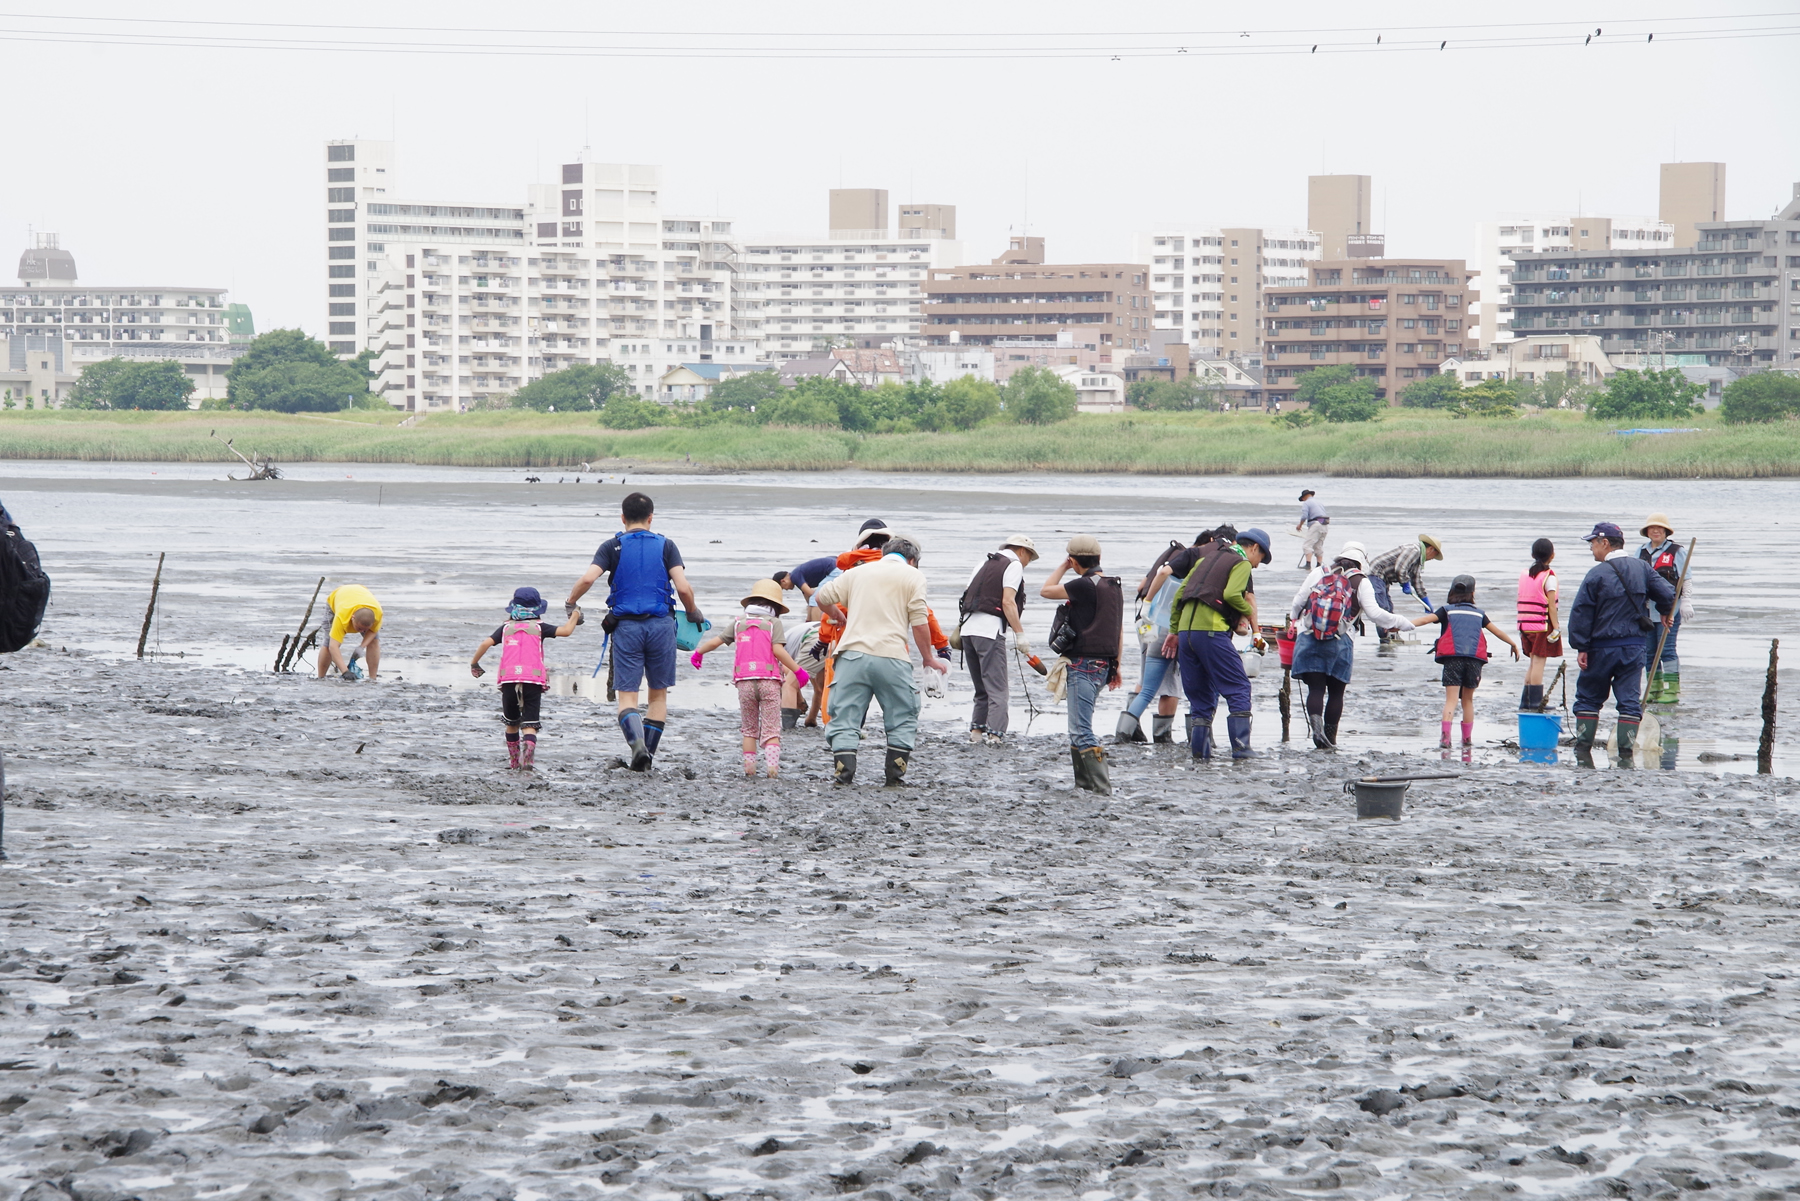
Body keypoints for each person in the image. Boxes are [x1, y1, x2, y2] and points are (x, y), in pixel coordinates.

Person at [564, 491, 704, 772]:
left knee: (628, 696)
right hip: (662, 625)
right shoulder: (667, 546)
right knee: (658, 696)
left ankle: (637, 746)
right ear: (651, 518)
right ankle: (646, 755)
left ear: (623, 518)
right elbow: (684, 588)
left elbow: (589, 578)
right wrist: (692, 611)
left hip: (626, 627)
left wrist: (570, 603)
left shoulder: (611, 546)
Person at [813, 533, 948, 786]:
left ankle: (844, 774)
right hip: (892, 657)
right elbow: (919, 622)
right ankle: (894, 777)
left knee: (845, 716)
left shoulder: (857, 572)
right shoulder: (913, 576)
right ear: (912, 560)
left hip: (852, 656)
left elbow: (821, 597)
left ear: (885, 554)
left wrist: (838, 616)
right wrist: (929, 658)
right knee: (902, 714)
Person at [1286, 541, 1416, 750]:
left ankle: (1317, 731)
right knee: (1336, 693)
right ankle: (1330, 740)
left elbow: (1298, 601)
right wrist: (1401, 622)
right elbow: (1375, 614)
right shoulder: (1361, 581)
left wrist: (1294, 620)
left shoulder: (1319, 572)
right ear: (1361, 561)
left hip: (1310, 636)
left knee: (1316, 688)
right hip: (1340, 641)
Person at [1566, 521, 1676, 767]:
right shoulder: (1643, 568)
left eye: (1593, 543)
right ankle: (1626, 756)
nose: (1591, 549)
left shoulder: (1596, 574)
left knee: (1589, 697)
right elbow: (1669, 593)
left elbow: (1581, 613)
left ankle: (1583, 752)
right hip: (1633, 646)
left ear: (1605, 543)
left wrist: (1580, 646)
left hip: (1600, 648)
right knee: (1629, 699)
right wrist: (1666, 611)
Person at [1167, 528, 1272, 760]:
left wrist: (1175, 631)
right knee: (1239, 687)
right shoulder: (1241, 563)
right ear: (1254, 548)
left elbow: (1179, 596)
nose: (1256, 565)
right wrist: (1248, 614)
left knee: (1200, 696)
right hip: (1212, 632)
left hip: (1186, 634)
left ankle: (1200, 753)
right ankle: (1241, 748)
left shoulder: (1205, 559)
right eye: (1261, 558)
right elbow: (1233, 595)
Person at [689, 579, 811, 778]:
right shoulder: (774, 623)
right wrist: (797, 670)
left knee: (749, 729)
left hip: (744, 682)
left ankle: (750, 771)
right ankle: (772, 772)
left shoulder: (738, 623)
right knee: (771, 728)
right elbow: (778, 651)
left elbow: (717, 641)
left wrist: (698, 653)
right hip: (769, 682)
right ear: (775, 607)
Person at [1041, 535, 1124, 794]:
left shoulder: (1083, 585)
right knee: (1080, 727)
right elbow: (1118, 630)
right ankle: (1086, 785)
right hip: (1103, 664)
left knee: (1080, 730)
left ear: (1075, 561)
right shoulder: (1113, 586)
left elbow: (1046, 590)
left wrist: (1063, 567)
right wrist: (1116, 666)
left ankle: (1100, 788)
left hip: (1083, 665)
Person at [468, 587, 582, 769]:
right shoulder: (540, 628)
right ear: (537, 609)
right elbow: (566, 631)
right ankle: (527, 760)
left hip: (509, 680)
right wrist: (575, 614)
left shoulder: (505, 628)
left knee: (511, 722)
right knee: (530, 723)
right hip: (532, 681)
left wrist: (474, 663)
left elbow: (485, 643)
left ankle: (514, 762)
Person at [1412, 574, 1522, 749]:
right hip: (1474, 660)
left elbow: (1425, 619)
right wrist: (1513, 643)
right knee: (1468, 701)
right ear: (1472, 593)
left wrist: (1402, 624)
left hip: (1452, 658)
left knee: (1451, 700)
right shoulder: (1479, 614)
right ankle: (1467, 740)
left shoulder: (1446, 611)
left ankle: (1445, 739)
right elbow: (1498, 632)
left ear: (1452, 591)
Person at [958, 534, 1038, 747]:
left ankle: (976, 733)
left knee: (981, 687)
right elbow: (1008, 602)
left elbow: (967, 596)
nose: (1028, 563)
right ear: (1023, 551)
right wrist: (1020, 634)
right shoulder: (1013, 564)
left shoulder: (983, 562)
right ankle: (995, 736)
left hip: (968, 631)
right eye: (1030, 557)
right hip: (989, 632)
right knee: (998, 689)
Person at [1116, 537, 1188, 744]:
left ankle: (1128, 731)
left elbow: (1142, 586)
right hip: (1167, 627)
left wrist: (1148, 605)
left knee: (1146, 680)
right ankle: (1162, 737)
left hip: (1145, 622)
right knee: (1171, 685)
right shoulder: (1190, 561)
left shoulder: (1167, 558)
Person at [1636, 514, 1688, 704]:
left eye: (1659, 528)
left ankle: (1672, 690)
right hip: (1647, 610)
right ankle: (1654, 688)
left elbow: (1686, 578)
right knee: (1649, 651)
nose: (1656, 531)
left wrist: (1687, 601)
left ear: (1666, 531)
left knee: (1666, 649)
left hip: (1670, 609)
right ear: (1647, 532)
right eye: (1652, 528)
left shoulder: (1676, 551)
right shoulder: (1640, 551)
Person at [1367, 535, 1444, 643]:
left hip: (1384, 579)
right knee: (1382, 607)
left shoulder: (1418, 561)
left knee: (1389, 607)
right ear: (1431, 549)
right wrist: (1405, 583)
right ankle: (1385, 639)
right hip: (1376, 573)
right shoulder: (1414, 550)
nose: (1431, 559)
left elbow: (1417, 580)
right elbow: (1400, 567)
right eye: (1434, 556)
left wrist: (1425, 601)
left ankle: (1392, 635)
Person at [1516, 538, 1562, 711]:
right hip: (1541, 624)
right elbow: (1551, 605)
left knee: (1533, 662)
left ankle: (1525, 701)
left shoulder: (1525, 574)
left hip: (1524, 624)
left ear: (1532, 554)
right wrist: (1556, 626)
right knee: (1539, 662)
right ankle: (1535, 703)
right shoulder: (1549, 577)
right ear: (1552, 555)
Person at [317, 584, 383, 681]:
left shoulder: (377, 614)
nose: (362, 632)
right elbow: (333, 647)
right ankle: (321, 677)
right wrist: (345, 671)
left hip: (361, 593)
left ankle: (373, 678)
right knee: (327, 643)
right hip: (337, 597)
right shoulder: (341, 618)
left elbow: (373, 632)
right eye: (359, 628)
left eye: (365, 629)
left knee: (374, 641)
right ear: (353, 618)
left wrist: (361, 647)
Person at [1295, 489, 1329, 571]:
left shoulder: (1307, 503)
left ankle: (1308, 564)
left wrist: (1300, 525)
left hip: (1316, 524)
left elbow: (1304, 515)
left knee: (1307, 545)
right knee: (1318, 545)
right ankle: (1319, 565)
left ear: (1304, 497)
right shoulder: (1319, 503)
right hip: (1325, 524)